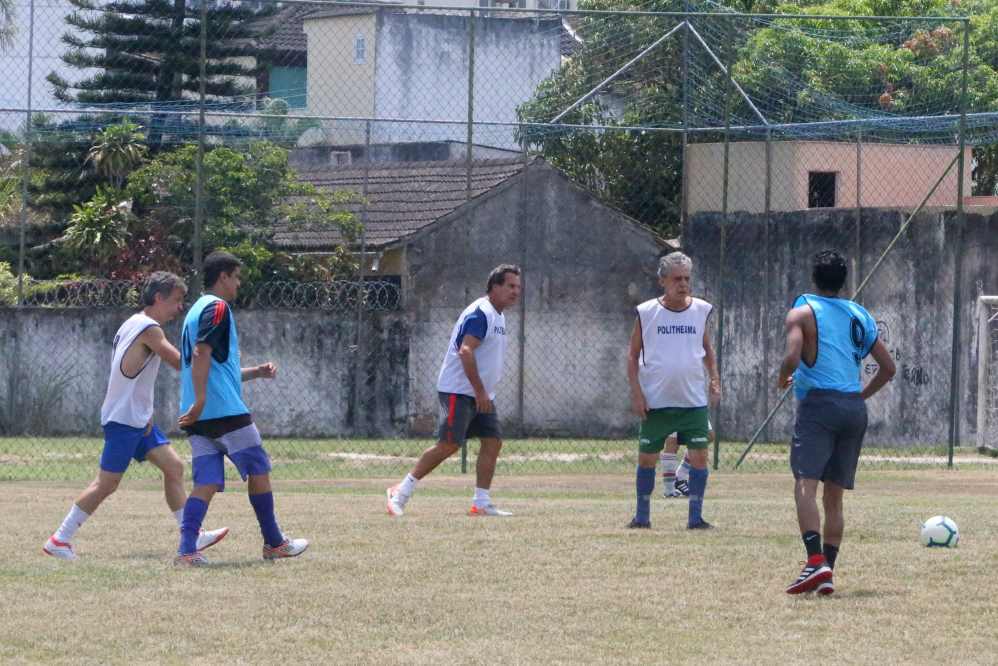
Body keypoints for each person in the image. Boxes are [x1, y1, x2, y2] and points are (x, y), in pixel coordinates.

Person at [43, 272, 228, 560]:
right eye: (177, 300)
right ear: (158, 298)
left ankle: (191, 533)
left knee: (173, 468)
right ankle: (60, 539)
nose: (180, 307)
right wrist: (206, 345)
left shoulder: (132, 322)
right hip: (125, 420)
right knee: (106, 484)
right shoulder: (150, 329)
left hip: (137, 419)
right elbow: (180, 363)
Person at [173, 252, 308, 566]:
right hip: (222, 411)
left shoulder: (193, 311)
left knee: (204, 483)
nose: (238, 284)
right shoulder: (218, 307)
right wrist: (203, 400)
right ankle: (274, 542)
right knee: (259, 470)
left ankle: (186, 550)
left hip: (199, 416)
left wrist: (254, 373)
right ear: (222, 277)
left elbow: (212, 366)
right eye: (236, 277)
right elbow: (201, 352)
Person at [779, 250, 895, 595]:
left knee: (805, 485)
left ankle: (815, 562)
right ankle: (827, 571)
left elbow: (792, 356)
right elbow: (888, 369)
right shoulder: (859, 313)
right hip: (852, 410)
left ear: (813, 277)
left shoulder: (802, 312)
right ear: (844, 279)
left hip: (819, 405)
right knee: (834, 497)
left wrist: (782, 376)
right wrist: (859, 396)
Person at [386, 264, 522, 517]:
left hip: (481, 394)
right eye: (510, 286)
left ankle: (481, 502)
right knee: (448, 444)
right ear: (494, 286)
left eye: (518, 287)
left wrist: (484, 393)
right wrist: (480, 391)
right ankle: (400, 492)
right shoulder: (481, 313)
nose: (516, 292)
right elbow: (466, 351)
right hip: (459, 391)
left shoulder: (498, 315)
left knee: (493, 442)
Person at [627, 252, 720, 530]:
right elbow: (632, 356)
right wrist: (636, 393)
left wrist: (714, 378)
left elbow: (707, 351)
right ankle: (642, 515)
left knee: (700, 456)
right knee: (647, 458)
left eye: (687, 278)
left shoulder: (700, 310)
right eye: (677, 279)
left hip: (692, 401)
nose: (683, 284)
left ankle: (695, 517)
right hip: (656, 401)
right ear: (662, 281)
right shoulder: (646, 313)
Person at [660, 426, 713, 498]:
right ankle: (669, 490)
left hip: (695, 414)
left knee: (709, 436)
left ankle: (680, 477)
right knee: (672, 442)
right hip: (672, 414)